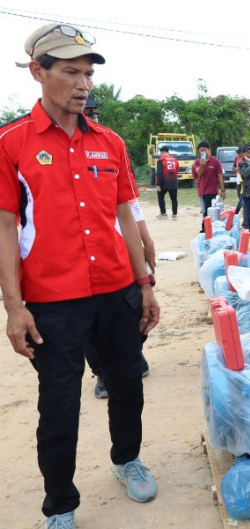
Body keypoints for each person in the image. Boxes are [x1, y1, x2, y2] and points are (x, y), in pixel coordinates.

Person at [0, 23, 160, 528]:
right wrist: (14, 307)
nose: (84, 84)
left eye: (87, 73)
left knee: (127, 385)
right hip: (52, 303)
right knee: (60, 404)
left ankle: (126, 459)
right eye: (70, 72)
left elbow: (126, 219)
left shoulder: (109, 143)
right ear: (37, 71)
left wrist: (145, 284)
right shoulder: (11, 143)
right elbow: (4, 227)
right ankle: (61, 506)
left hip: (116, 293)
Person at [81, 98, 154, 398]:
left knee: (137, 310)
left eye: (92, 113)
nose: (89, 118)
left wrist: (146, 241)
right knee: (89, 325)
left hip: (123, 254)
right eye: (85, 113)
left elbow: (130, 206)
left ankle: (133, 354)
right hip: (85, 258)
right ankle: (101, 373)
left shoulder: (110, 146)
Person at [192, 140, 224, 232]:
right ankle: (208, 227)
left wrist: (222, 189)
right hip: (202, 191)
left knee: (207, 210)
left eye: (205, 149)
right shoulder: (197, 162)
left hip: (212, 190)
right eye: (201, 150)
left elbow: (219, 175)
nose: (203, 152)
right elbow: (198, 173)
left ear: (209, 150)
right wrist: (202, 165)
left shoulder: (215, 162)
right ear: (199, 151)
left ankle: (205, 229)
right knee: (205, 210)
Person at [155, 146, 179, 220]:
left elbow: (159, 173)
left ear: (161, 152)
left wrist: (158, 184)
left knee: (161, 197)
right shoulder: (175, 160)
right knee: (174, 199)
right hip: (173, 182)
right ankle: (174, 214)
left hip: (164, 182)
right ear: (168, 151)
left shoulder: (161, 160)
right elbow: (177, 170)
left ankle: (163, 213)